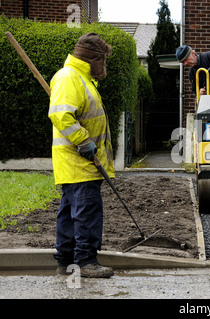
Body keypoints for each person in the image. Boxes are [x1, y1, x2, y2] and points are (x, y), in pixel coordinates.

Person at [48, 33, 115, 278]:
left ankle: (65, 261)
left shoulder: (81, 78)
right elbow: (61, 116)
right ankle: (86, 261)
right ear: (92, 59)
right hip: (79, 160)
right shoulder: (69, 77)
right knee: (86, 212)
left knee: (69, 213)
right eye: (103, 60)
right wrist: (83, 141)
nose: (104, 66)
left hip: (78, 162)